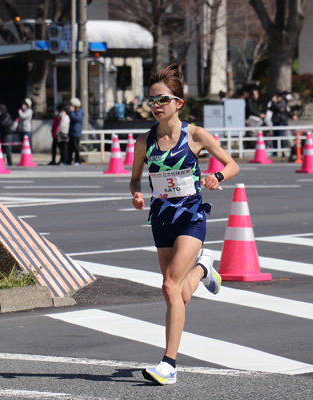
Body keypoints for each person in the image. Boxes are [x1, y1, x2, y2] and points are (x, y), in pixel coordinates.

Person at [130, 64, 239, 386]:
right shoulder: (144, 141)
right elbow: (135, 177)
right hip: (161, 219)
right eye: (151, 100)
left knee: (168, 287)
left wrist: (216, 176)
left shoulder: (196, 135)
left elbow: (233, 165)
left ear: (178, 102)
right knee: (175, 293)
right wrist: (136, 194)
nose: (156, 106)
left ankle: (169, 364)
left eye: (162, 99)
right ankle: (204, 270)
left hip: (191, 217)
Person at [270, 91, 298, 158]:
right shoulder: (275, 103)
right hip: (276, 121)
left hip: (281, 121)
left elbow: (279, 108)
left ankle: (282, 151)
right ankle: (275, 151)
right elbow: (270, 108)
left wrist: (273, 102)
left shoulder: (282, 102)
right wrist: (273, 102)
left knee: (281, 136)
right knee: (275, 137)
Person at [69, 97, 85, 165]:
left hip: (76, 132)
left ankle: (78, 160)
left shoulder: (79, 112)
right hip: (72, 132)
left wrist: (72, 112)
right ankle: (69, 160)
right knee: (71, 148)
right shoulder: (76, 112)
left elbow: (76, 119)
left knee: (76, 147)